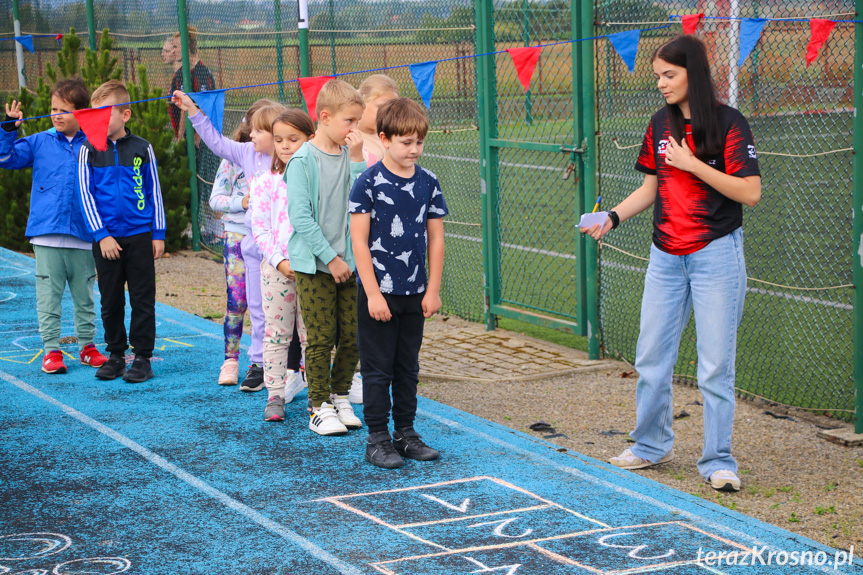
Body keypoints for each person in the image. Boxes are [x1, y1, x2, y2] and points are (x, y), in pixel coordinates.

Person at [580, 35, 761, 492]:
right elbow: (652, 188)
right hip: (665, 257)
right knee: (652, 359)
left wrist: (693, 163)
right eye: (657, 76)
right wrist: (613, 216)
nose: (661, 83)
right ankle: (649, 446)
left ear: (692, 73)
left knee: (715, 365)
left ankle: (719, 461)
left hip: (716, 254)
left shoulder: (729, 123)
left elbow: (750, 192)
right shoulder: (658, 123)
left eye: (669, 75)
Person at [350, 97, 448, 468]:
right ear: (384, 139)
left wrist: (432, 289)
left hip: (415, 292)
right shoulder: (368, 182)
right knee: (379, 368)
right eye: (406, 142)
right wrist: (373, 293)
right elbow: (359, 240)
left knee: (408, 366)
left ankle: (405, 433)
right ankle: (377, 438)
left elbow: (435, 237)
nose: (414, 149)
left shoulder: (429, 181)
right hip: (379, 295)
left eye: (419, 142)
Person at [171, 90, 287, 392]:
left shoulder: (291, 158)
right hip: (250, 247)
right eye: (253, 128)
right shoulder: (245, 154)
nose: (252, 134)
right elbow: (216, 141)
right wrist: (193, 111)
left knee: (287, 311)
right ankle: (257, 363)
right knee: (255, 307)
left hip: (284, 248)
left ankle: (292, 366)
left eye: (261, 130)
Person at [1, 79, 108, 374]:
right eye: (53, 109)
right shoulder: (39, 141)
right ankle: (52, 350)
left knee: (84, 297)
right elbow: (6, 158)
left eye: (65, 110)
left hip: (85, 236)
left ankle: (87, 346)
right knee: (48, 298)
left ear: (82, 113)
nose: (57, 115)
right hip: (46, 235)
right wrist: (9, 129)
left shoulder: (95, 143)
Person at [285, 79, 366, 436]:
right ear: (326, 117)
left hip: (349, 264)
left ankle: (339, 393)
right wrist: (330, 258)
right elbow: (300, 217)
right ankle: (318, 405)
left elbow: (362, 200)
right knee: (320, 337)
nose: (355, 129)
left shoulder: (350, 156)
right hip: (317, 266)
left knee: (353, 334)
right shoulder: (302, 160)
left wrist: (359, 159)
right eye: (350, 121)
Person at [76, 80, 166, 383]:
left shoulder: (143, 148)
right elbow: (85, 195)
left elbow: (154, 192)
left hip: (140, 236)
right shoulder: (88, 150)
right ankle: (115, 355)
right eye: (95, 113)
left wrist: (158, 233)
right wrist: (101, 235)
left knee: (143, 298)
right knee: (110, 299)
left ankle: (142, 358)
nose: (99, 120)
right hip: (107, 240)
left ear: (125, 115)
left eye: (106, 113)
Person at [251, 109, 316, 421]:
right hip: (277, 271)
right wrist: (280, 261)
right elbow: (261, 229)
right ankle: (275, 394)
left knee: (313, 335)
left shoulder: (319, 181)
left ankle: (319, 394)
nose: (285, 146)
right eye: (279, 140)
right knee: (277, 334)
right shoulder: (265, 182)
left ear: (310, 139)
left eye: (294, 139)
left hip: (314, 270)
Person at [209, 99, 273, 386]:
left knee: (270, 303)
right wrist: (242, 202)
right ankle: (230, 360)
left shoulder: (281, 159)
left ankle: (270, 363)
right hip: (237, 234)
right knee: (237, 301)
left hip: (270, 238)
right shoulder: (234, 159)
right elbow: (216, 200)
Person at [346, 74, 401, 404]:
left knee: (389, 304)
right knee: (361, 306)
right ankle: (358, 372)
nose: (385, 112)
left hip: (390, 237)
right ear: (363, 103)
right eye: (380, 106)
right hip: (360, 236)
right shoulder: (352, 141)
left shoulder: (389, 141)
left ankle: (383, 367)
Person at [167, 27, 215, 138]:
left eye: (175, 47)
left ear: (187, 48)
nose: (173, 51)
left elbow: (205, 107)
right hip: (184, 137)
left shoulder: (201, 73)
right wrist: (180, 135)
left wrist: (197, 138)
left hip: (200, 139)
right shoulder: (180, 74)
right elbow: (183, 108)